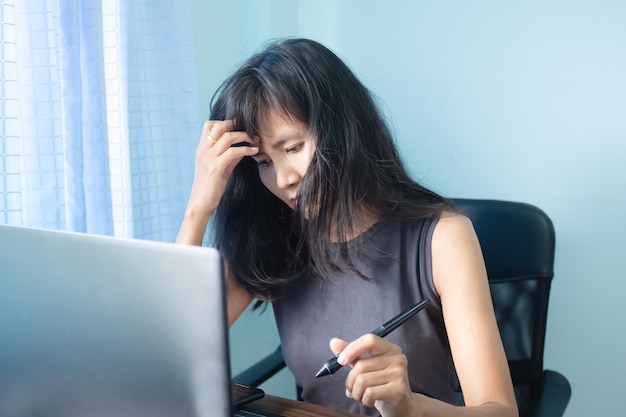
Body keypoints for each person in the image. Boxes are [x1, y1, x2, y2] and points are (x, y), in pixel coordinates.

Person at [177, 38, 518, 417]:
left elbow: (501, 411)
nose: (283, 178)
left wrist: (409, 407)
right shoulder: (273, 238)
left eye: (292, 148)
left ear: (343, 130)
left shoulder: (443, 237)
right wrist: (198, 207)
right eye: (262, 163)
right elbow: (171, 349)